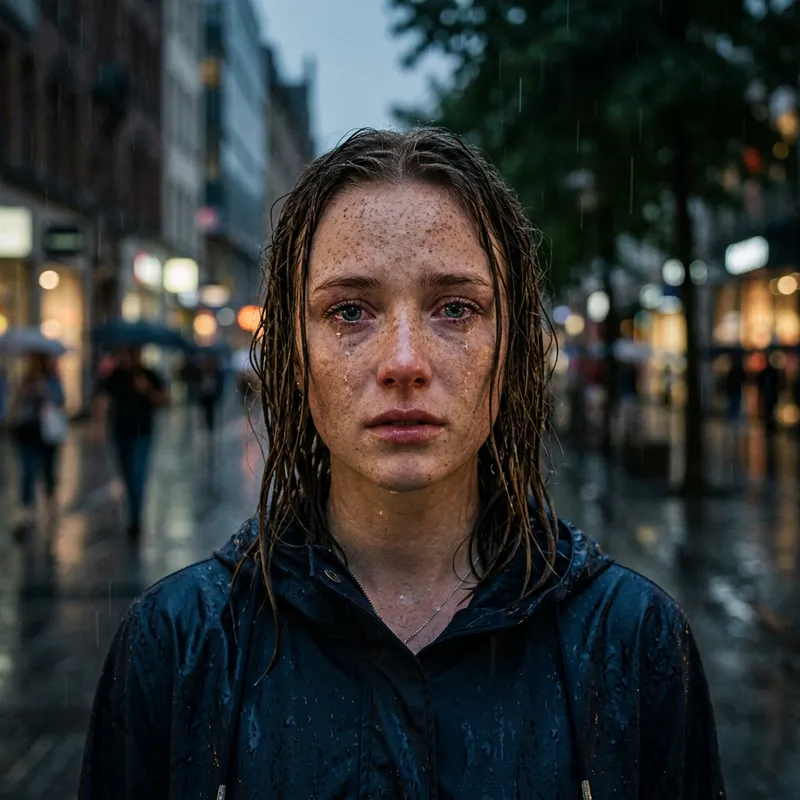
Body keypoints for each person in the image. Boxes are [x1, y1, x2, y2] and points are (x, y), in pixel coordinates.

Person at [80, 129, 725, 798]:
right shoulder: (178, 647)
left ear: (510, 349)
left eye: (455, 308)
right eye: (350, 311)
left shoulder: (631, 643)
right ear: (296, 357)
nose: (404, 362)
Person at [92, 346, 170, 539]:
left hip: (142, 432)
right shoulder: (115, 375)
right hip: (120, 432)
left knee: (137, 473)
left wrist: (147, 389)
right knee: (126, 474)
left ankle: (135, 518)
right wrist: (99, 426)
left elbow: (165, 400)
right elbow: (103, 398)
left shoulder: (149, 374)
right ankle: (132, 511)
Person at [8, 353, 66, 540]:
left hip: (47, 434)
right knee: (28, 471)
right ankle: (27, 510)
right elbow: (15, 404)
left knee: (48, 470)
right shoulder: (25, 381)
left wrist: (45, 391)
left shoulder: (52, 380)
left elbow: (60, 400)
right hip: (27, 433)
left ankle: (50, 500)